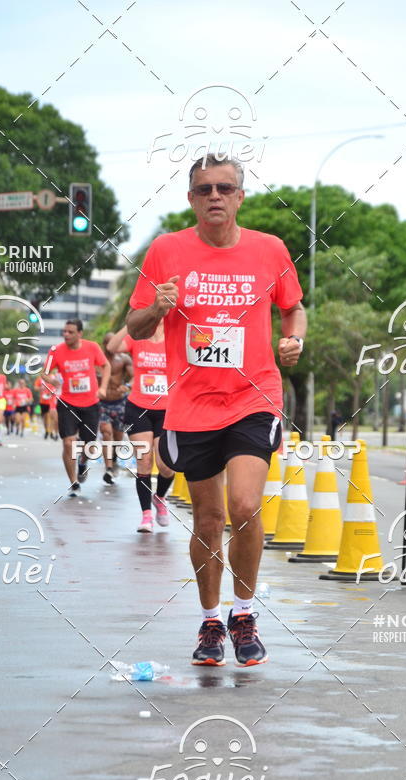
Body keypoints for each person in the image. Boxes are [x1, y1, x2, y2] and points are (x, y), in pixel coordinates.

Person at [127, 154, 306, 666]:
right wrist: (157, 308)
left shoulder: (270, 250)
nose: (214, 196)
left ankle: (244, 613)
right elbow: (136, 327)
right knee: (207, 520)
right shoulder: (166, 250)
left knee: (245, 506)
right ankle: (210, 621)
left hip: (254, 396)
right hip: (191, 403)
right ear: (191, 199)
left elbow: (293, 307)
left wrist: (293, 338)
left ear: (240, 196)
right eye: (204, 189)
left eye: (224, 188)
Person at [107, 324, 174, 531]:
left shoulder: (174, 336)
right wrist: (130, 323)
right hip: (139, 407)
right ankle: (146, 516)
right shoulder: (138, 336)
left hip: (167, 409)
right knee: (144, 461)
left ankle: (160, 498)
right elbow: (112, 347)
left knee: (166, 465)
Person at [44, 319, 110, 497]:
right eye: (64, 331)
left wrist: (103, 387)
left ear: (80, 333)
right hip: (67, 402)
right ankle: (73, 482)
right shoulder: (56, 351)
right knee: (68, 442)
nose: (66, 335)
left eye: (70, 332)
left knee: (90, 445)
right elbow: (45, 373)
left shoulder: (92, 347)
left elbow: (106, 366)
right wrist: (51, 379)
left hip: (91, 403)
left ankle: (82, 463)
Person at [99, 332, 133, 484]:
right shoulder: (97, 361)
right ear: (104, 344)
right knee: (107, 433)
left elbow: (135, 376)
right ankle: (108, 468)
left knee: (118, 437)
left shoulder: (124, 359)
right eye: (108, 343)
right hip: (102, 403)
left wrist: (126, 386)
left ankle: (113, 461)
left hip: (120, 402)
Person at [34, 372, 59, 440]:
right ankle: (46, 431)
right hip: (43, 401)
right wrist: (41, 388)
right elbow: (35, 388)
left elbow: (58, 385)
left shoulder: (53, 377)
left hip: (51, 401)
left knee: (51, 417)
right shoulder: (40, 379)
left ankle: (51, 431)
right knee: (45, 418)